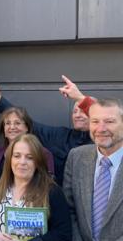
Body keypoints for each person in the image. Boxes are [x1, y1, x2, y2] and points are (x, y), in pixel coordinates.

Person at [0, 76, 92, 185]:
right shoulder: (59, 135)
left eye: (83, 110)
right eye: (75, 111)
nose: (78, 115)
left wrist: (80, 98)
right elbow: (27, 123)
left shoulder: (103, 139)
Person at [0, 134, 71, 241]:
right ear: (10, 160)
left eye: (29, 157)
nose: (22, 162)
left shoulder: (52, 192)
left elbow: (63, 234)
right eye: (17, 156)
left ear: (37, 162)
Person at [64, 98, 123, 241]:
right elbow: (68, 209)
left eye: (109, 121)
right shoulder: (76, 157)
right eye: (95, 121)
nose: (101, 129)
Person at [0, 107, 55, 179]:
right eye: (8, 123)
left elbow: (46, 185)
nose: (12, 127)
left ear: (27, 128)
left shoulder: (43, 154)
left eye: (17, 123)